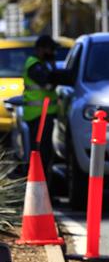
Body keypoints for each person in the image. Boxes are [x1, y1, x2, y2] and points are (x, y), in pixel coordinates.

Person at [22, 35, 63, 170]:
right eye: (51, 49)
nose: (53, 53)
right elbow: (48, 82)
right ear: (41, 49)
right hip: (39, 116)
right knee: (41, 152)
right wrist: (54, 70)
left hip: (45, 114)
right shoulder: (34, 65)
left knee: (46, 151)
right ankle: (39, 180)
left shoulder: (42, 64)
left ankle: (44, 179)